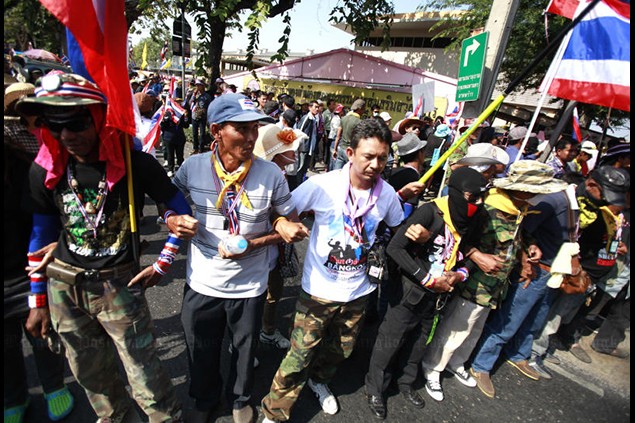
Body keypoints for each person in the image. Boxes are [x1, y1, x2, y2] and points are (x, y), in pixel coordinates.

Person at [17, 73, 193, 422]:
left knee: (145, 376)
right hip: (65, 288)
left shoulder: (134, 164)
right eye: (56, 126)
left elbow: (181, 209)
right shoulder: (47, 169)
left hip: (119, 288)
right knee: (90, 375)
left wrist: (163, 261)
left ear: (99, 117)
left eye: (78, 123)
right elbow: (40, 237)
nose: (67, 135)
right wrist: (37, 302)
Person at [171, 93, 309, 423]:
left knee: (244, 350)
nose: (250, 138)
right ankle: (204, 399)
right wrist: (172, 218)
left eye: (254, 129)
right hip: (202, 280)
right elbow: (171, 200)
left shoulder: (271, 174)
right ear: (217, 130)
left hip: (249, 285)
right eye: (241, 129)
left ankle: (240, 398)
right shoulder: (192, 167)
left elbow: (289, 220)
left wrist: (261, 239)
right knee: (201, 347)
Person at [261, 118, 404, 423]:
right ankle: (274, 412)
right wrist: (287, 224)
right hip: (319, 290)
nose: (376, 164)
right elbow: (284, 210)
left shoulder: (387, 193)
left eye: (382, 157)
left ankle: (319, 380)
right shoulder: (322, 184)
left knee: (341, 349)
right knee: (299, 355)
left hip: (359, 291)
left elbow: (395, 227)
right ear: (350, 152)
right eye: (368, 156)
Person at [421, 161, 568, 402]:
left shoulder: (519, 208)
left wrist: (529, 245)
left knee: (475, 328)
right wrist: (477, 256)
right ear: (521, 188)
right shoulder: (486, 205)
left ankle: (456, 363)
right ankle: (433, 368)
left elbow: (515, 235)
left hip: (495, 285)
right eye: (534, 190)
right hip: (473, 282)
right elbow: (457, 236)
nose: (536, 195)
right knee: (457, 327)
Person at [363, 166, 488, 420]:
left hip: (440, 295)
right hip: (410, 292)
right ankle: (375, 388)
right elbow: (395, 249)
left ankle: (406, 383)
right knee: (390, 341)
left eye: (482, 197)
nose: (479, 203)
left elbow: (472, 251)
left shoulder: (475, 218)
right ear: (455, 193)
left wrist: (459, 274)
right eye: (472, 198)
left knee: (419, 342)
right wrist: (428, 279)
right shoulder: (430, 212)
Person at [4, 82, 75, 423]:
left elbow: (40, 225)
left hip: (23, 267)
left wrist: (38, 283)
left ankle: (53, 385)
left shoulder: (22, 165)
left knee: (41, 334)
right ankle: (12, 397)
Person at [253, 123, 309, 350]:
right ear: (275, 152)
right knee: (251, 299)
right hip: (254, 249)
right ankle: (242, 344)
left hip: (275, 250)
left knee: (273, 292)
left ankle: (266, 331)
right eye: (290, 147)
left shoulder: (281, 174)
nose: (295, 152)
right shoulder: (257, 177)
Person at [332, 98, 365, 170]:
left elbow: (338, 136)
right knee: (350, 173)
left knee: (337, 172)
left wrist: (335, 149)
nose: (363, 111)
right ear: (360, 109)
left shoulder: (344, 118)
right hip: (350, 151)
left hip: (341, 148)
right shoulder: (359, 122)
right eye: (363, 109)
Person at [187, 79, 213, 154]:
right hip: (194, 115)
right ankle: (195, 148)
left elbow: (210, 106)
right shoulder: (195, 95)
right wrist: (194, 96)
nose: (197, 87)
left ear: (202, 86)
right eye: (196, 85)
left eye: (199, 85)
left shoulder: (207, 96)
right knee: (194, 133)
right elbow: (189, 103)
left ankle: (201, 149)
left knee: (202, 134)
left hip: (202, 116)